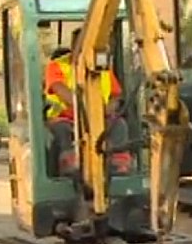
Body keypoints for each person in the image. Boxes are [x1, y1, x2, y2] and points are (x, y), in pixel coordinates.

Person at [43, 27, 133, 176]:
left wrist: (109, 108)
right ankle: (71, 165)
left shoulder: (103, 69)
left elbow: (115, 95)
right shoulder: (57, 66)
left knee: (119, 125)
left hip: (100, 117)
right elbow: (59, 89)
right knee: (64, 131)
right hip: (65, 118)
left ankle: (118, 164)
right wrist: (86, 108)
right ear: (75, 46)